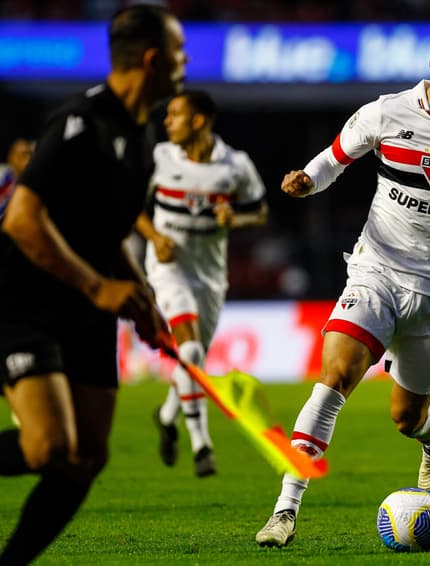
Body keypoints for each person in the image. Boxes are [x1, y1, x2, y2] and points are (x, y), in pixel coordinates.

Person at [255, 25, 430, 547]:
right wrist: (309, 179)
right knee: (334, 377)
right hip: (375, 271)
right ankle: (285, 509)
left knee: (407, 417)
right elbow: (335, 158)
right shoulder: (386, 112)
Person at [0, 5, 186, 564]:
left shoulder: (146, 131)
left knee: (85, 456)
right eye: (179, 51)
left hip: (86, 307)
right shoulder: (80, 122)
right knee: (49, 446)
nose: (186, 61)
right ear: (153, 59)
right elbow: (21, 218)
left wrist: (143, 299)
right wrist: (99, 288)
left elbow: (111, 229)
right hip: (24, 300)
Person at [137, 89, 268, 477]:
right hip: (168, 267)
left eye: (175, 114)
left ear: (198, 121)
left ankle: (165, 415)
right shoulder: (160, 158)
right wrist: (155, 237)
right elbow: (128, 206)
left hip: (210, 275)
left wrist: (236, 220)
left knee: (195, 359)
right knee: (190, 352)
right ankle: (201, 444)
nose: (167, 122)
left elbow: (258, 211)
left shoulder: (235, 165)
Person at [0, 138, 35, 220]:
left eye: (30, 154)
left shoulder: (28, 184)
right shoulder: (5, 174)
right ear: (11, 157)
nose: (27, 159)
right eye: (22, 155)